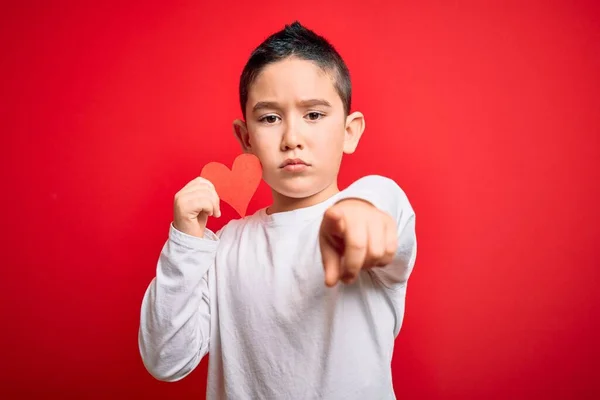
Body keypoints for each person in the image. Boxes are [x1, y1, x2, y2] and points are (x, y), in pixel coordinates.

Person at [139, 21, 417, 400]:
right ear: (246, 138)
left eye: (314, 115)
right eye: (270, 118)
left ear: (350, 131)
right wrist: (186, 244)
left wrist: (360, 210)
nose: (291, 139)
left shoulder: (371, 209)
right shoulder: (222, 249)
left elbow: (385, 204)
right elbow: (166, 359)